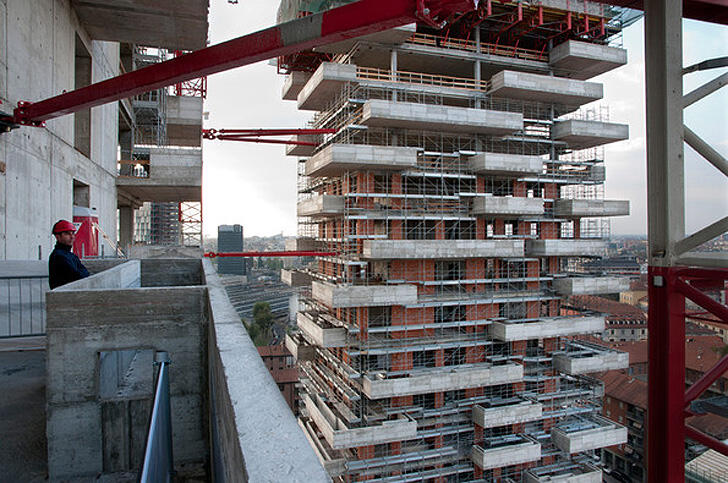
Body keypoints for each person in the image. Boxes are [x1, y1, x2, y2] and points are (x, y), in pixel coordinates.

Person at [49, 220, 89, 289]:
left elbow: (85, 274)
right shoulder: (58, 256)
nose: (72, 237)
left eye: (73, 233)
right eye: (67, 234)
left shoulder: (71, 256)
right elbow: (77, 276)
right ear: (57, 236)